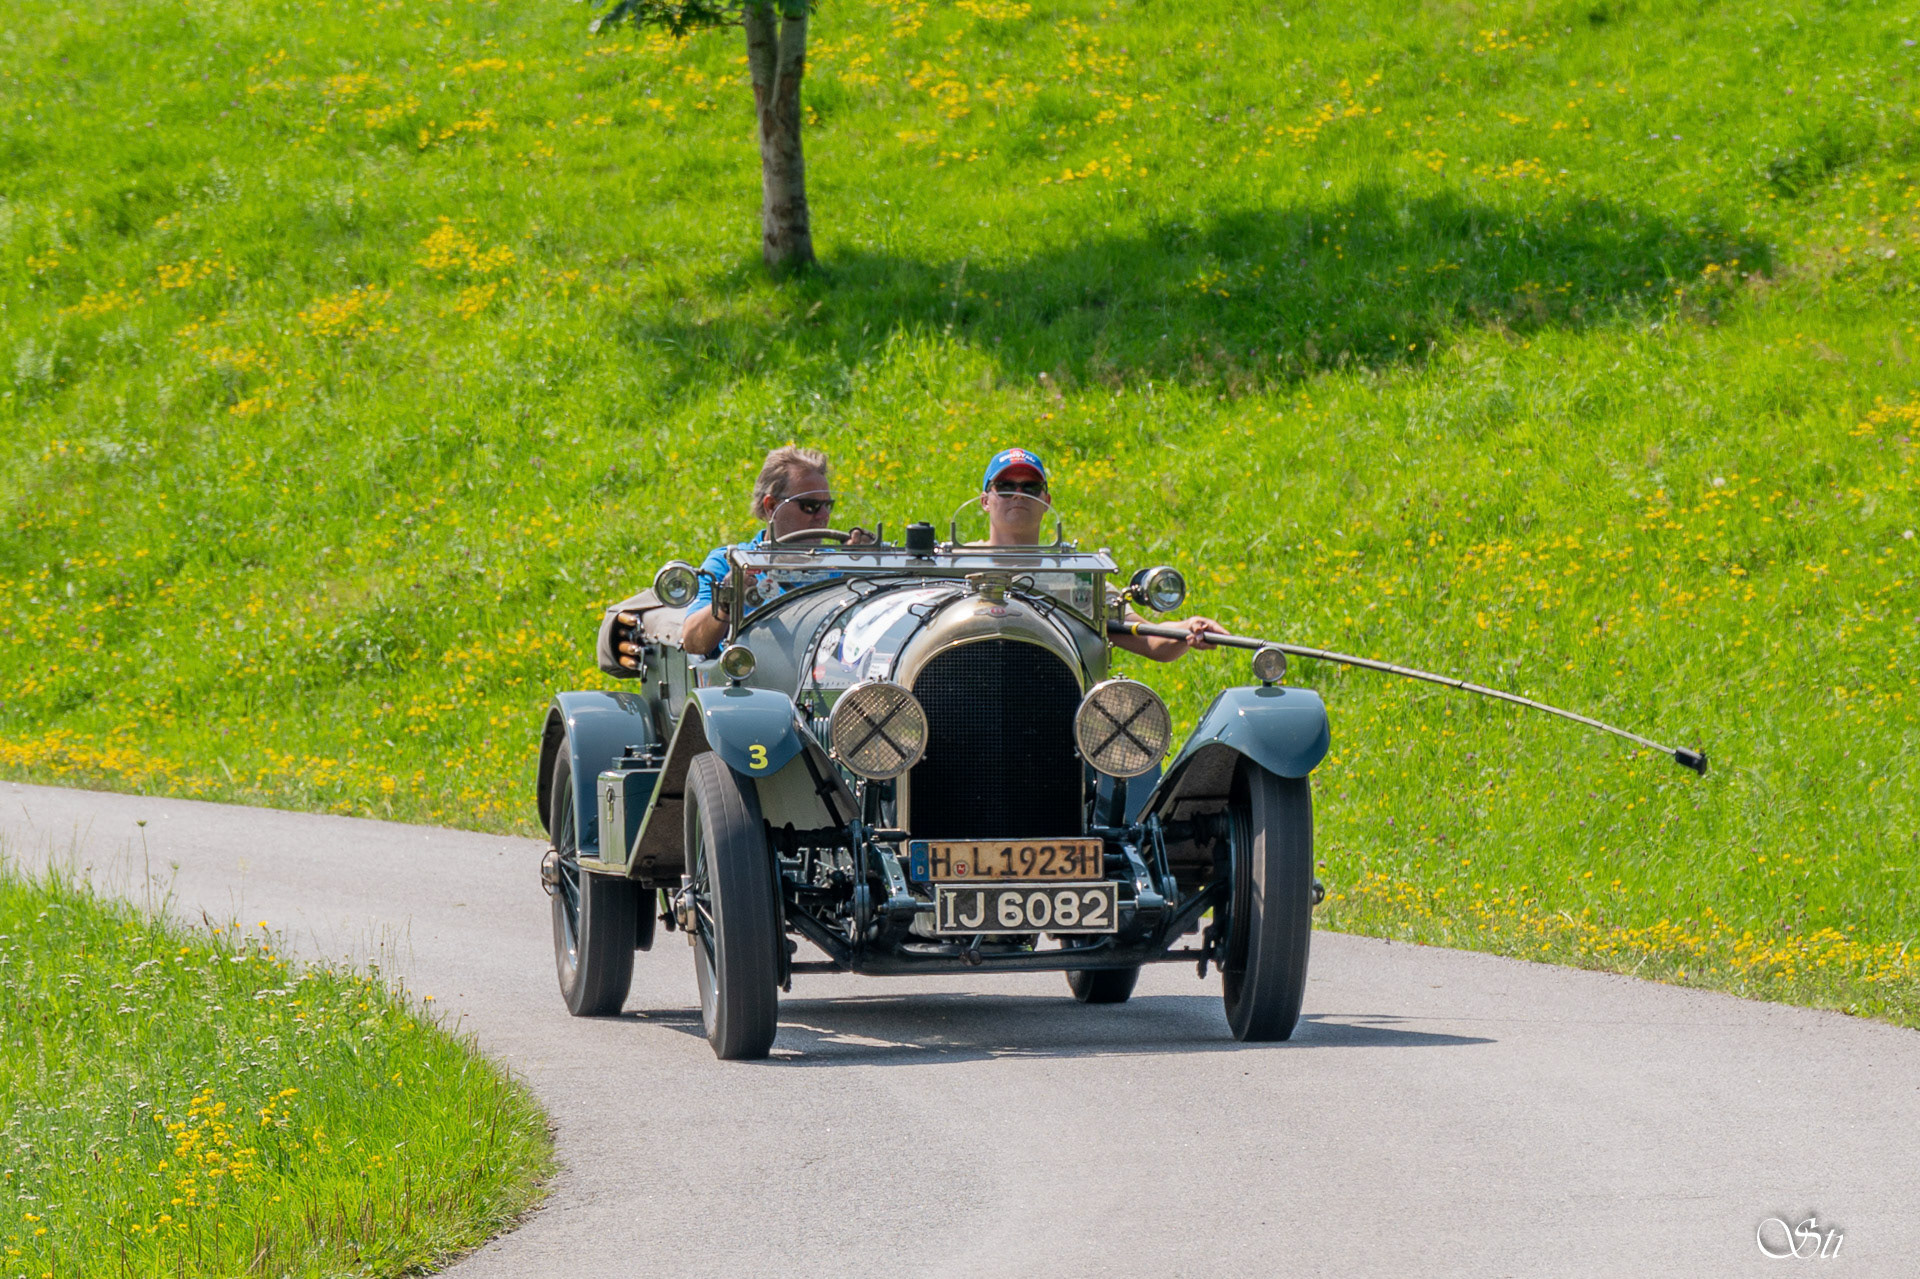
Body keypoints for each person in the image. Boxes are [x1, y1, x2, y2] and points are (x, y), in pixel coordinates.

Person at [600, 445, 858, 672]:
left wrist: (868, 566)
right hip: (753, 687)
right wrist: (726, 599)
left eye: (828, 506)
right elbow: (693, 640)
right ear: (771, 506)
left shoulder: (840, 565)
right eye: (810, 506)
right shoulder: (728, 563)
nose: (823, 516)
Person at [976, 446, 1226, 661]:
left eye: (1030, 487)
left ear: (1047, 501)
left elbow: (1151, 641)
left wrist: (1191, 627)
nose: (1018, 494)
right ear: (985, 501)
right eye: (1006, 487)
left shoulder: (1071, 579)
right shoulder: (950, 565)